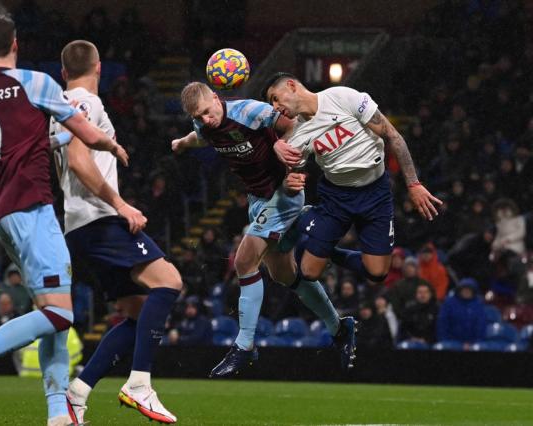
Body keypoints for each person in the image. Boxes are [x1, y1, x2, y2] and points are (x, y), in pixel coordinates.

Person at [0, 14, 126, 425]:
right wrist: (112, 143)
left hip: (3, 210)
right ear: (16, 43)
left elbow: (30, 139)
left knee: (52, 308)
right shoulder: (35, 83)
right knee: (60, 315)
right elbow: (85, 133)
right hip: (31, 207)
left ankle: (58, 415)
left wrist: (57, 137)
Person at [172, 82, 354, 375]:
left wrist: (285, 149)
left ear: (217, 99)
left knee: (244, 260)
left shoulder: (249, 111)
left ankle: (244, 346)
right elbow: (201, 136)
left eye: (207, 111)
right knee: (283, 274)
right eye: (198, 116)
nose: (205, 119)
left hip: (284, 191)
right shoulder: (202, 123)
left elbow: (294, 122)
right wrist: (182, 142)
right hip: (258, 199)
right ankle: (339, 328)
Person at [51, 40, 182, 424]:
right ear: (98, 68)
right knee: (169, 282)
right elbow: (77, 160)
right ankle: (139, 383)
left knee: (138, 313)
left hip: (79, 224)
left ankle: (76, 395)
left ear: (63, 71)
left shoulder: (59, 104)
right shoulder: (85, 102)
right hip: (99, 218)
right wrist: (120, 204)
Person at [262, 72, 441, 309]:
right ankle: (306, 220)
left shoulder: (342, 96)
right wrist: (286, 180)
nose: (275, 107)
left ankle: (322, 243)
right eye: (271, 104)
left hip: (376, 193)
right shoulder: (296, 135)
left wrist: (413, 184)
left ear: (292, 86)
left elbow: (392, 135)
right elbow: (285, 175)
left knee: (377, 273)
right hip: (337, 198)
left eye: (275, 98)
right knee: (308, 272)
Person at [436, 278, 487, 349]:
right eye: (464, 289)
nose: (466, 291)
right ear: (459, 290)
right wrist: (446, 342)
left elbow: (481, 325)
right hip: (451, 343)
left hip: (473, 343)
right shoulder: (449, 303)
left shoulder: (478, 305)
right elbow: (442, 324)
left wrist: (475, 342)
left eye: (469, 289)